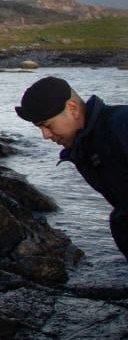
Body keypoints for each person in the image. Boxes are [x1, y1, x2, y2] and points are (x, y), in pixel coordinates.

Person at [16, 75, 128, 260]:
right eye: (39, 128)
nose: (45, 135)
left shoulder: (121, 126)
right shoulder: (85, 146)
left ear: (73, 108)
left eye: (48, 125)